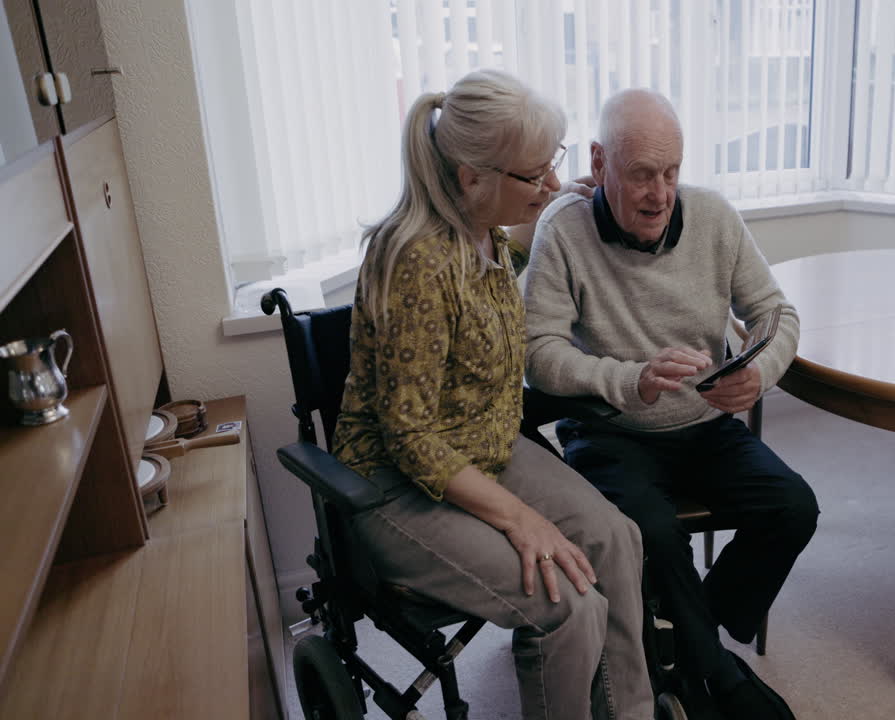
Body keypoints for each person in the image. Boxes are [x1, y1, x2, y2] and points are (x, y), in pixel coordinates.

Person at [330, 70, 652, 720]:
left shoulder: (485, 236)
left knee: (618, 538)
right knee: (568, 605)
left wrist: (562, 204)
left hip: (486, 449)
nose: (554, 184)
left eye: (552, 166)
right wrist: (517, 517)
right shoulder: (419, 264)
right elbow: (411, 440)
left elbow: (512, 261)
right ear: (472, 177)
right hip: (396, 486)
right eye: (535, 176)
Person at [522, 88, 818, 720]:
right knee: (654, 532)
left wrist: (760, 371)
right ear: (599, 164)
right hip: (610, 430)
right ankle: (716, 673)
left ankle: (689, 645)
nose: (661, 194)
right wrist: (630, 378)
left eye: (671, 173)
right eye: (641, 175)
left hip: (703, 426)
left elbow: (775, 313)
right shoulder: (563, 230)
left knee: (794, 508)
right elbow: (537, 352)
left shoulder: (712, 217)